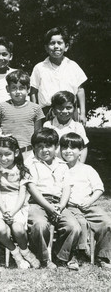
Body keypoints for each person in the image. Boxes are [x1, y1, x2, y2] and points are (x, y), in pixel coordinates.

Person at [26, 128, 81, 270]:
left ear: (56, 147)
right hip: (37, 202)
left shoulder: (62, 165)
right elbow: (32, 188)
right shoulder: (30, 164)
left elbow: (67, 187)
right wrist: (48, 207)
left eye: (48, 146)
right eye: (40, 147)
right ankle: (43, 257)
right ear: (34, 149)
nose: (45, 150)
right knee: (39, 225)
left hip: (58, 203)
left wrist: (61, 206)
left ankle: (60, 255)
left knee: (73, 226)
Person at [59, 132, 111, 268]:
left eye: (73, 148)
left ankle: (102, 256)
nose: (68, 151)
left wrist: (90, 201)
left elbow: (99, 188)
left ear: (81, 150)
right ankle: (75, 254)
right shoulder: (59, 168)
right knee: (80, 223)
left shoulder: (87, 169)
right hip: (70, 206)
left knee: (106, 222)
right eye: (64, 148)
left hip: (88, 205)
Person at [0, 136, 40, 269]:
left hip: (17, 206)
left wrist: (12, 212)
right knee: (0, 228)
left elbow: (22, 195)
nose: (3, 158)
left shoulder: (23, 171)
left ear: (16, 153)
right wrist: (4, 211)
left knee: (18, 229)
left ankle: (25, 250)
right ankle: (16, 253)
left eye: (7, 154)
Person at [30, 27, 87, 124]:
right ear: (46, 48)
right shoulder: (39, 68)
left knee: (69, 138)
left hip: (69, 111)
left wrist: (82, 113)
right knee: (47, 138)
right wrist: (36, 114)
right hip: (46, 112)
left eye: (60, 43)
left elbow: (80, 90)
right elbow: (33, 92)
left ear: (66, 47)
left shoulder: (73, 66)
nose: (56, 46)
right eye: (52, 43)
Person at [0, 70, 44, 163]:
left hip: (28, 153)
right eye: (14, 88)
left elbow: (38, 136)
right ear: (7, 89)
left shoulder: (35, 108)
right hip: (6, 154)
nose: (18, 92)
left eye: (22, 88)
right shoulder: (0, 107)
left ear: (28, 89)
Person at [43, 91, 88, 162]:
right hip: (52, 164)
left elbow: (84, 148)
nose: (64, 111)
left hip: (72, 165)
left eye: (68, 107)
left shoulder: (78, 126)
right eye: (60, 108)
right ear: (54, 109)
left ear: (74, 109)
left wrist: (80, 165)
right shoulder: (48, 125)